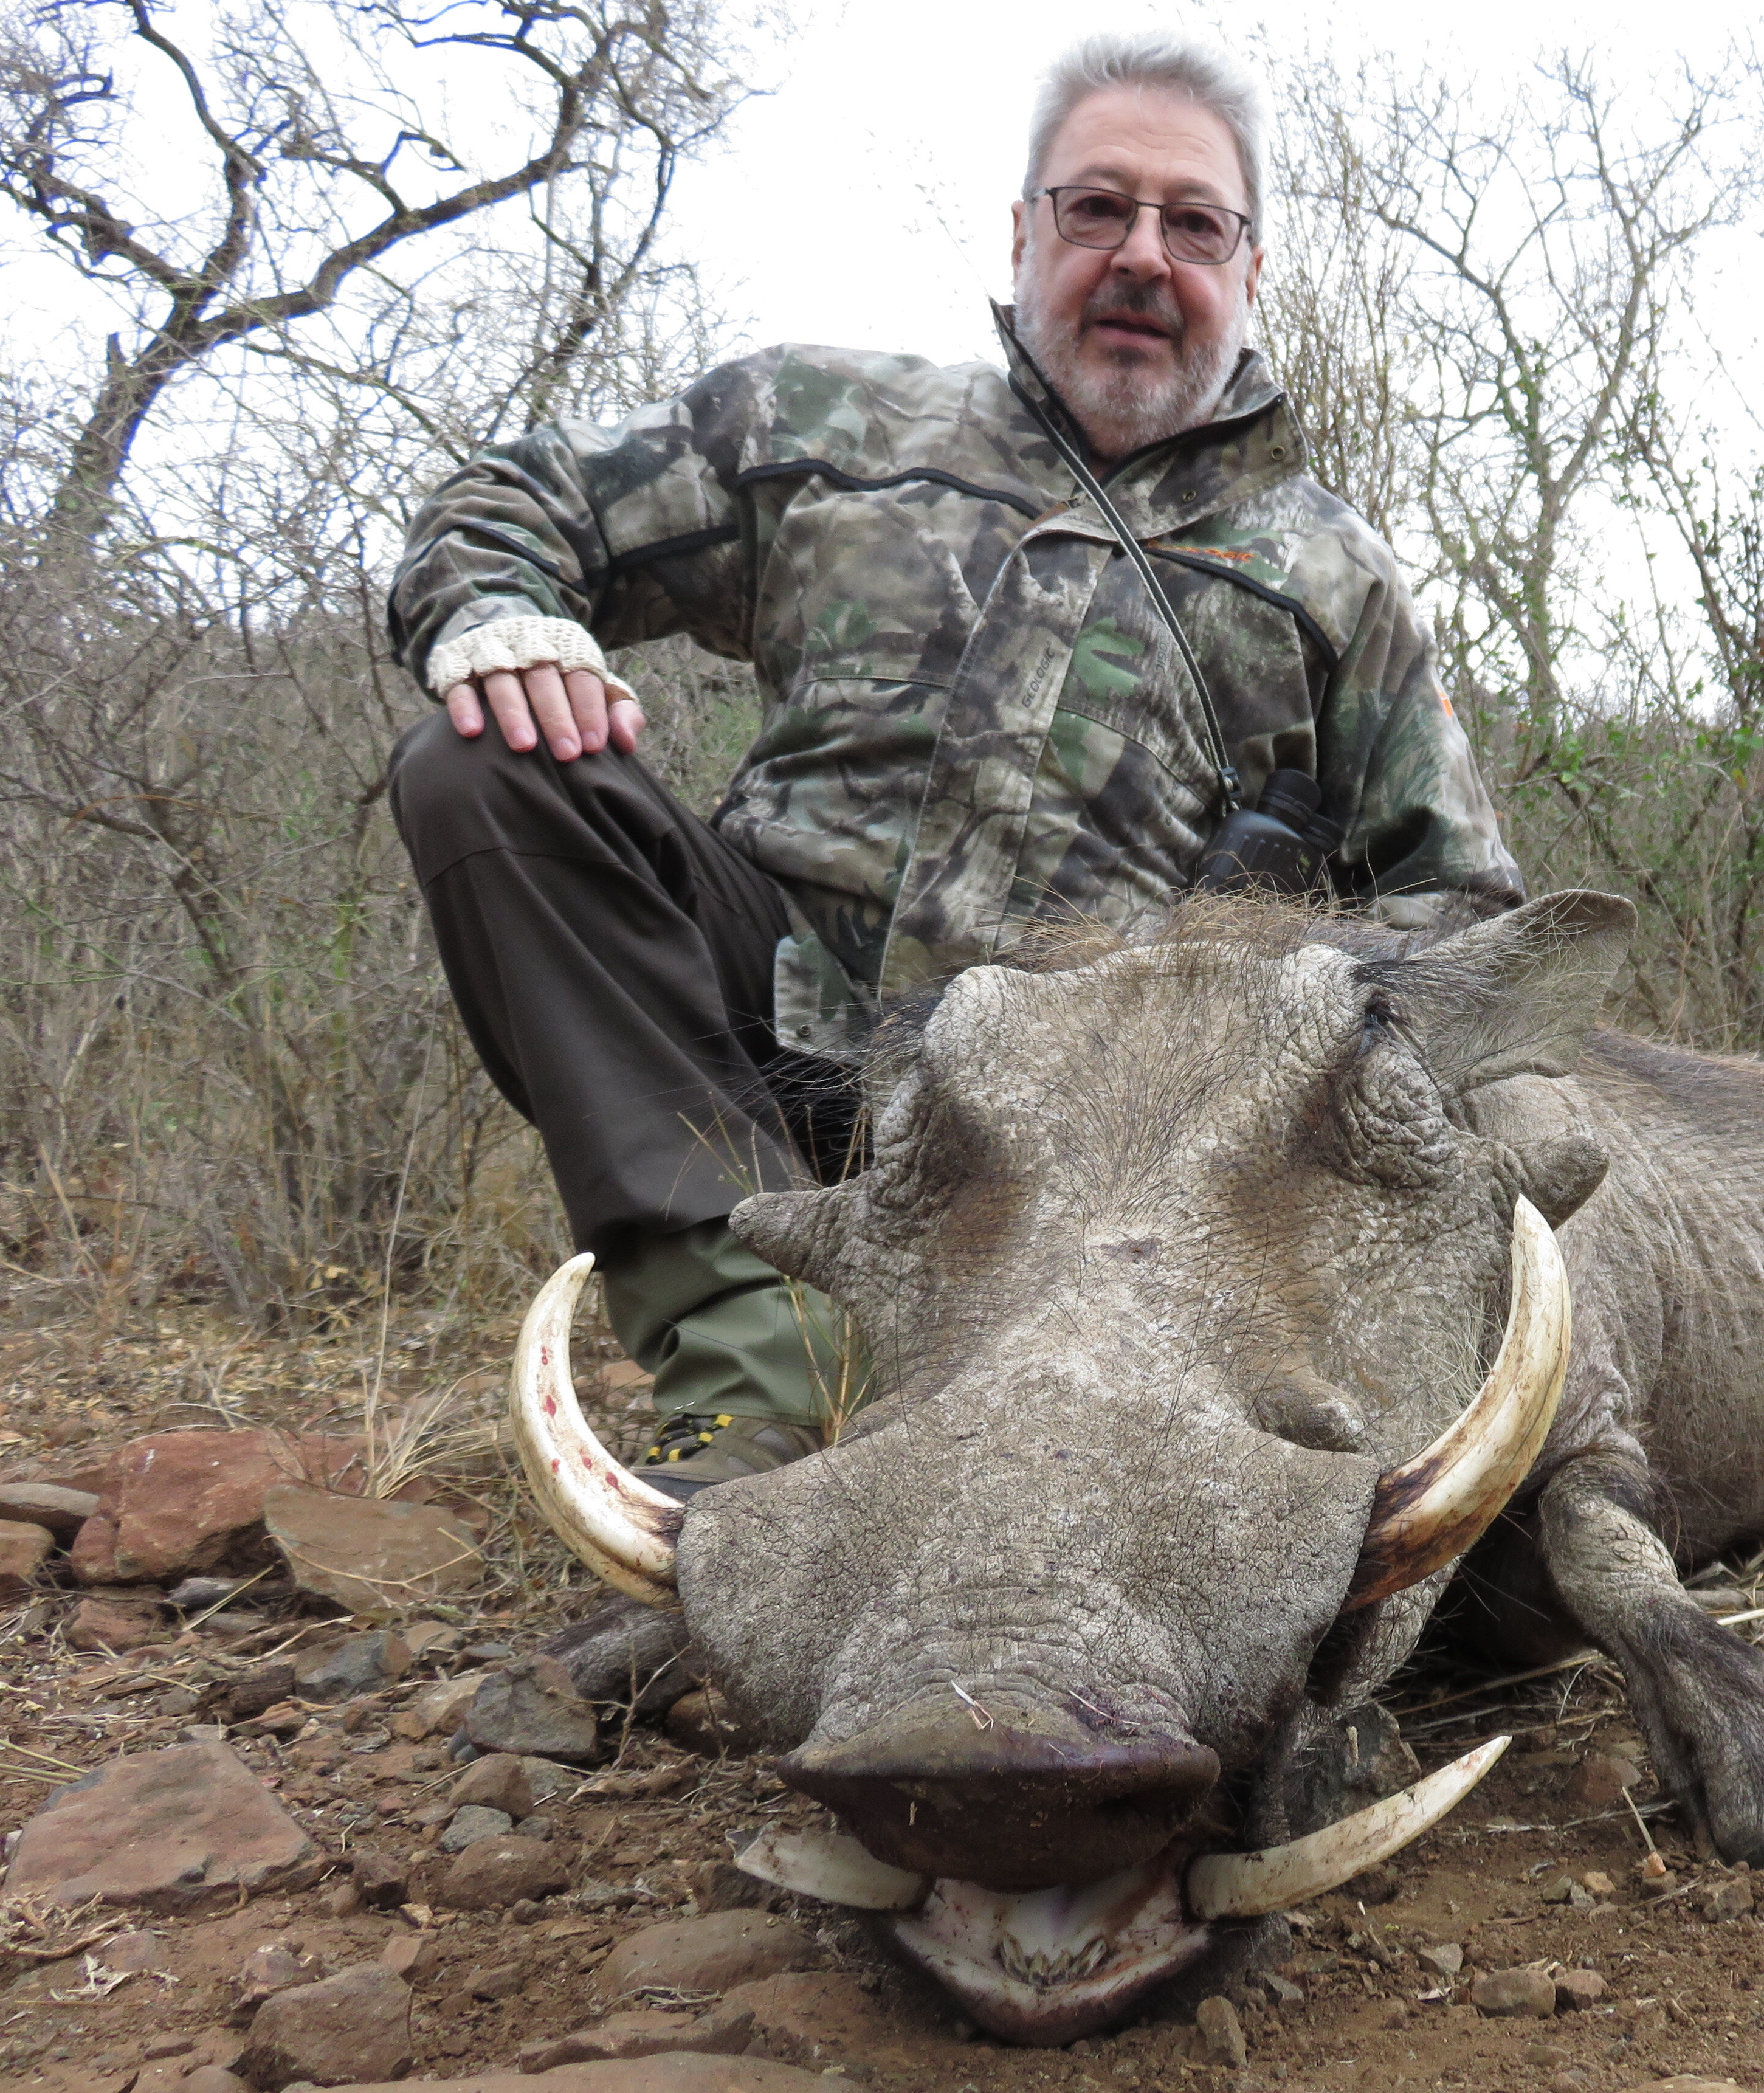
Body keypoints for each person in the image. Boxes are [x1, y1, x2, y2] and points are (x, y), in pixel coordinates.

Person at [385, 32, 1525, 1498]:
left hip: (1093, 1145)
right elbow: (517, 500)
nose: (1140, 255)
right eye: (1095, 208)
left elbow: (1465, 911)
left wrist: (1260, 974)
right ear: (1023, 229)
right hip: (762, 1044)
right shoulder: (823, 425)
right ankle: (755, 1351)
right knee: (483, 763)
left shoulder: (1329, 571)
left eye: (1193, 223)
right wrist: (501, 613)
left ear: (1250, 268)